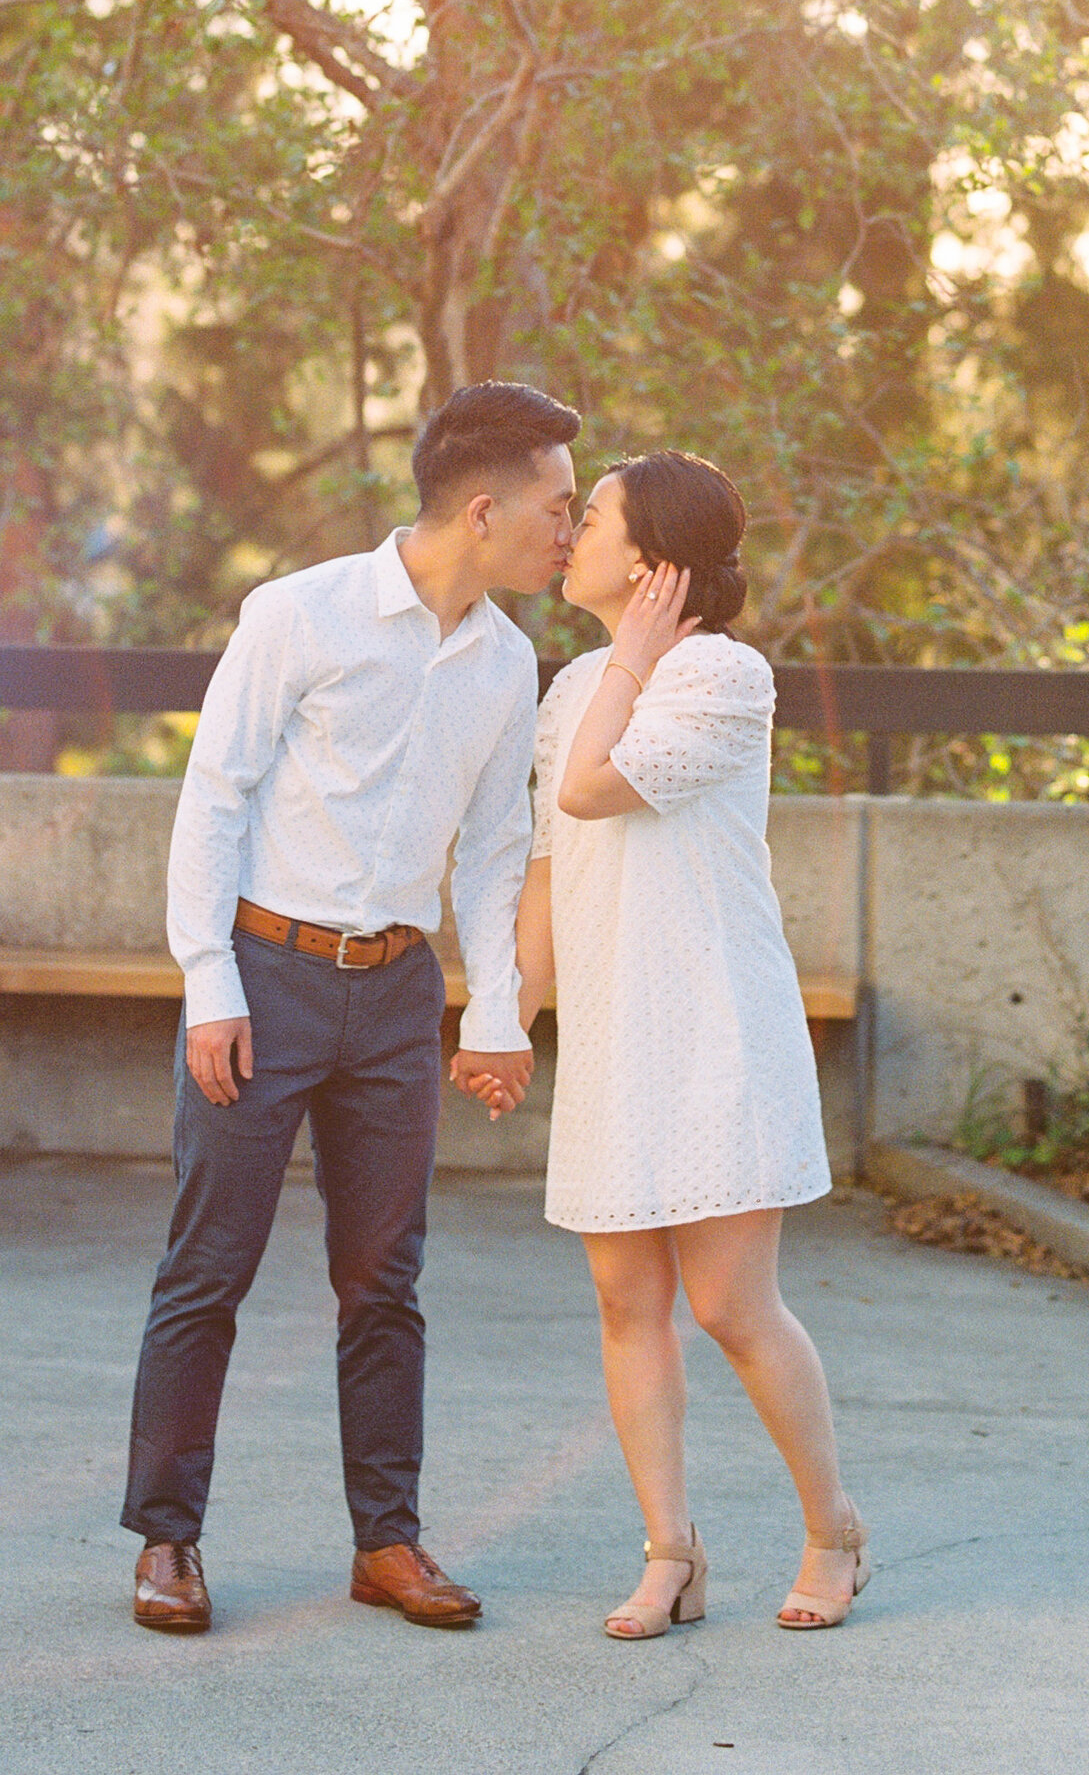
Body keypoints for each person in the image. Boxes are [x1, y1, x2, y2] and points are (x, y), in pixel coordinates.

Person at [120, 379, 579, 1637]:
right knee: (208, 1270)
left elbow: (494, 848)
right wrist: (209, 984)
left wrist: (496, 1008)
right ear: (481, 510)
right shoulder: (300, 614)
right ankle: (167, 1540)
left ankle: (387, 1544)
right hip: (263, 981)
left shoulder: (504, 659)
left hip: (393, 997)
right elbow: (214, 799)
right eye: (557, 505)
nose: (570, 528)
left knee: (386, 1283)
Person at [514, 450, 867, 1638]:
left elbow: (591, 792)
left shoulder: (722, 674)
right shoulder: (573, 687)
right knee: (627, 1302)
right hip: (615, 1037)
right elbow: (546, 867)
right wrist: (500, 1015)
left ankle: (833, 1531)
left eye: (594, 516)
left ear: (655, 562)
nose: (571, 535)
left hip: (716, 1030)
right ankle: (670, 1552)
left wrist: (626, 659)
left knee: (730, 1305)